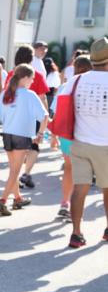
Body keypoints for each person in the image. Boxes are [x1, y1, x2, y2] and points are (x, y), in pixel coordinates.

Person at [63, 37, 108, 248]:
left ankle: (76, 233)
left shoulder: (76, 80)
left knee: (79, 189)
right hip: (105, 145)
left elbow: (60, 105)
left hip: (80, 142)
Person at [0, 64, 48, 216]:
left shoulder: (6, 93)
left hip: (7, 134)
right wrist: (40, 134)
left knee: (13, 170)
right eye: (31, 78)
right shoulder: (30, 95)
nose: (32, 81)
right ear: (24, 78)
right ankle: (2, 201)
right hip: (22, 135)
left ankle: (17, 198)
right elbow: (45, 116)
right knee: (15, 171)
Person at [51, 55, 93, 222]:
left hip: (67, 133)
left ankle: (65, 203)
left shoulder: (66, 85)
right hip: (85, 133)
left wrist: (54, 136)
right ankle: (75, 209)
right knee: (83, 173)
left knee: (68, 168)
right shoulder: (93, 85)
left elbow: (57, 112)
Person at [4, 44, 50, 189]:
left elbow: (6, 96)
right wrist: (46, 117)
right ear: (31, 58)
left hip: (14, 117)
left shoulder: (11, 75)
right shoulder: (36, 75)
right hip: (33, 118)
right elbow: (43, 98)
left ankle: (16, 177)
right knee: (34, 146)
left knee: (17, 149)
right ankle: (26, 173)